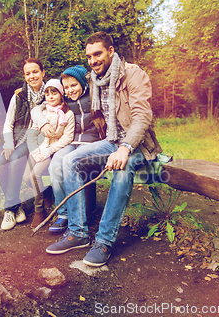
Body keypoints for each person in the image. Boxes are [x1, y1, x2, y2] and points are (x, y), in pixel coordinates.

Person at [45, 31, 162, 267]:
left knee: (123, 165)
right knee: (69, 160)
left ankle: (104, 241)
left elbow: (142, 117)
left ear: (111, 51)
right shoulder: (94, 80)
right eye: (89, 56)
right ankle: (77, 232)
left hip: (136, 143)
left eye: (97, 54)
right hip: (110, 140)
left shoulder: (133, 74)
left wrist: (125, 147)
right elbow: (69, 89)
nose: (93, 60)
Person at [32, 65, 101, 232]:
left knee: (76, 165)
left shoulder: (94, 96)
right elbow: (37, 109)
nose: (70, 90)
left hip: (90, 143)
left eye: (74, 85)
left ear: (83, 84)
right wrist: (42, 123)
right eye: (67, 87)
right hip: (70, 143)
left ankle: (85, 211)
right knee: (56, 163)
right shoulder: (64, 102)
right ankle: (63, 213)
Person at [0, 58, 46, 230]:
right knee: (0, 162)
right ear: (24, 76)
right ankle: (17, 207)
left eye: (35, 72)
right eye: (28, 73)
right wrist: (8, 143)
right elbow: (8, 123)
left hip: (33, 138)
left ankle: (9, 210)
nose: (32, 76)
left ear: (42, 73)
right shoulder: (18, 96)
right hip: (14, 136)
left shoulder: (51, 93)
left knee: (16, 158)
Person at [23, 79, 75, 228]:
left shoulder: (67, 114)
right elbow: (32, 133)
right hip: (37, 148)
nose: (50, 96)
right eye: (47, 93)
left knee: (35, 175)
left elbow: (67, 137)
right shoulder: (41, 112)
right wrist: (35, 151)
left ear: (61, 94)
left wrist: (49, 151)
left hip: (52, 150)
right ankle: (46, 192)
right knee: (26, 177)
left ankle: (39, 211)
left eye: (54, 92)